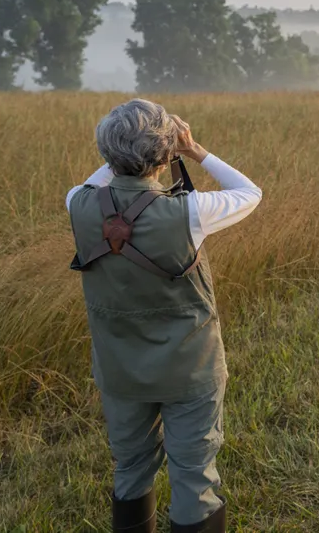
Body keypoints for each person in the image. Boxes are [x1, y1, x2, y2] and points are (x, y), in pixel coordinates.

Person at [66, 98, 263, 533]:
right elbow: (251, 192)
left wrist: (122, 154)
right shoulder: (188, 212)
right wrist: (194, 150)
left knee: (130, 468)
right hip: (189, 368)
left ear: (106, 151)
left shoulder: (77, 204)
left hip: (120, 371)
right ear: (164, 152)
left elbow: (96, 181)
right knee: (193, 477)